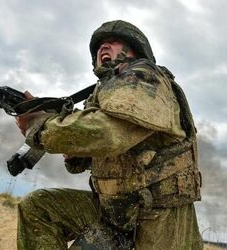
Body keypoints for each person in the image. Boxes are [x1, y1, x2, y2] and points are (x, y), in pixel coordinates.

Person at [16, 20, 203, 249]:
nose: (104, 47)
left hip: (158, 215)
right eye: (100, 45)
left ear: (135, 50)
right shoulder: (103, 94)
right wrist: (74, 151)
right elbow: (100, 151)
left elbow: (107, 133)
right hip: (114, 210)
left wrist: (41, 126)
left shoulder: (145, 77)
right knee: (40, 208)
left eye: (114, 42)